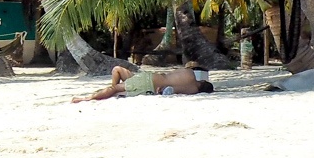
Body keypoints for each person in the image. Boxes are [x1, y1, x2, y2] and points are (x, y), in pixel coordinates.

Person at [73, 65, 216, 103]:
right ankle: (110, 94)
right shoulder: (192, 88)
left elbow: (169, 87)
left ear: (203, 81)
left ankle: (88, 98)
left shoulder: (190, 74)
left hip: (148, 80)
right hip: (146, 80)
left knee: (116, 88)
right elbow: (170, 89)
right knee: (117, 81)